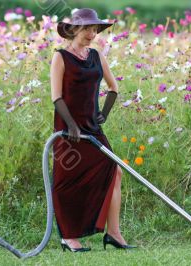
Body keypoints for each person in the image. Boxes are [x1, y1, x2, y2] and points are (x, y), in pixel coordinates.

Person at [50, 8, 136, 252]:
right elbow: (56, 97)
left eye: (95, 29)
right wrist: (72, 125)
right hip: (68, 130)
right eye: (87, 28)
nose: (91, 33)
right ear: (74, 29)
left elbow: (113, 88)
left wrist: (103, 115)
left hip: (92, 127)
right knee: (67, 183)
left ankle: (114, 234)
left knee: (114, 170)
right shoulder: (61, 57)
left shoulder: (96, 56)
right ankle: (69, 237)